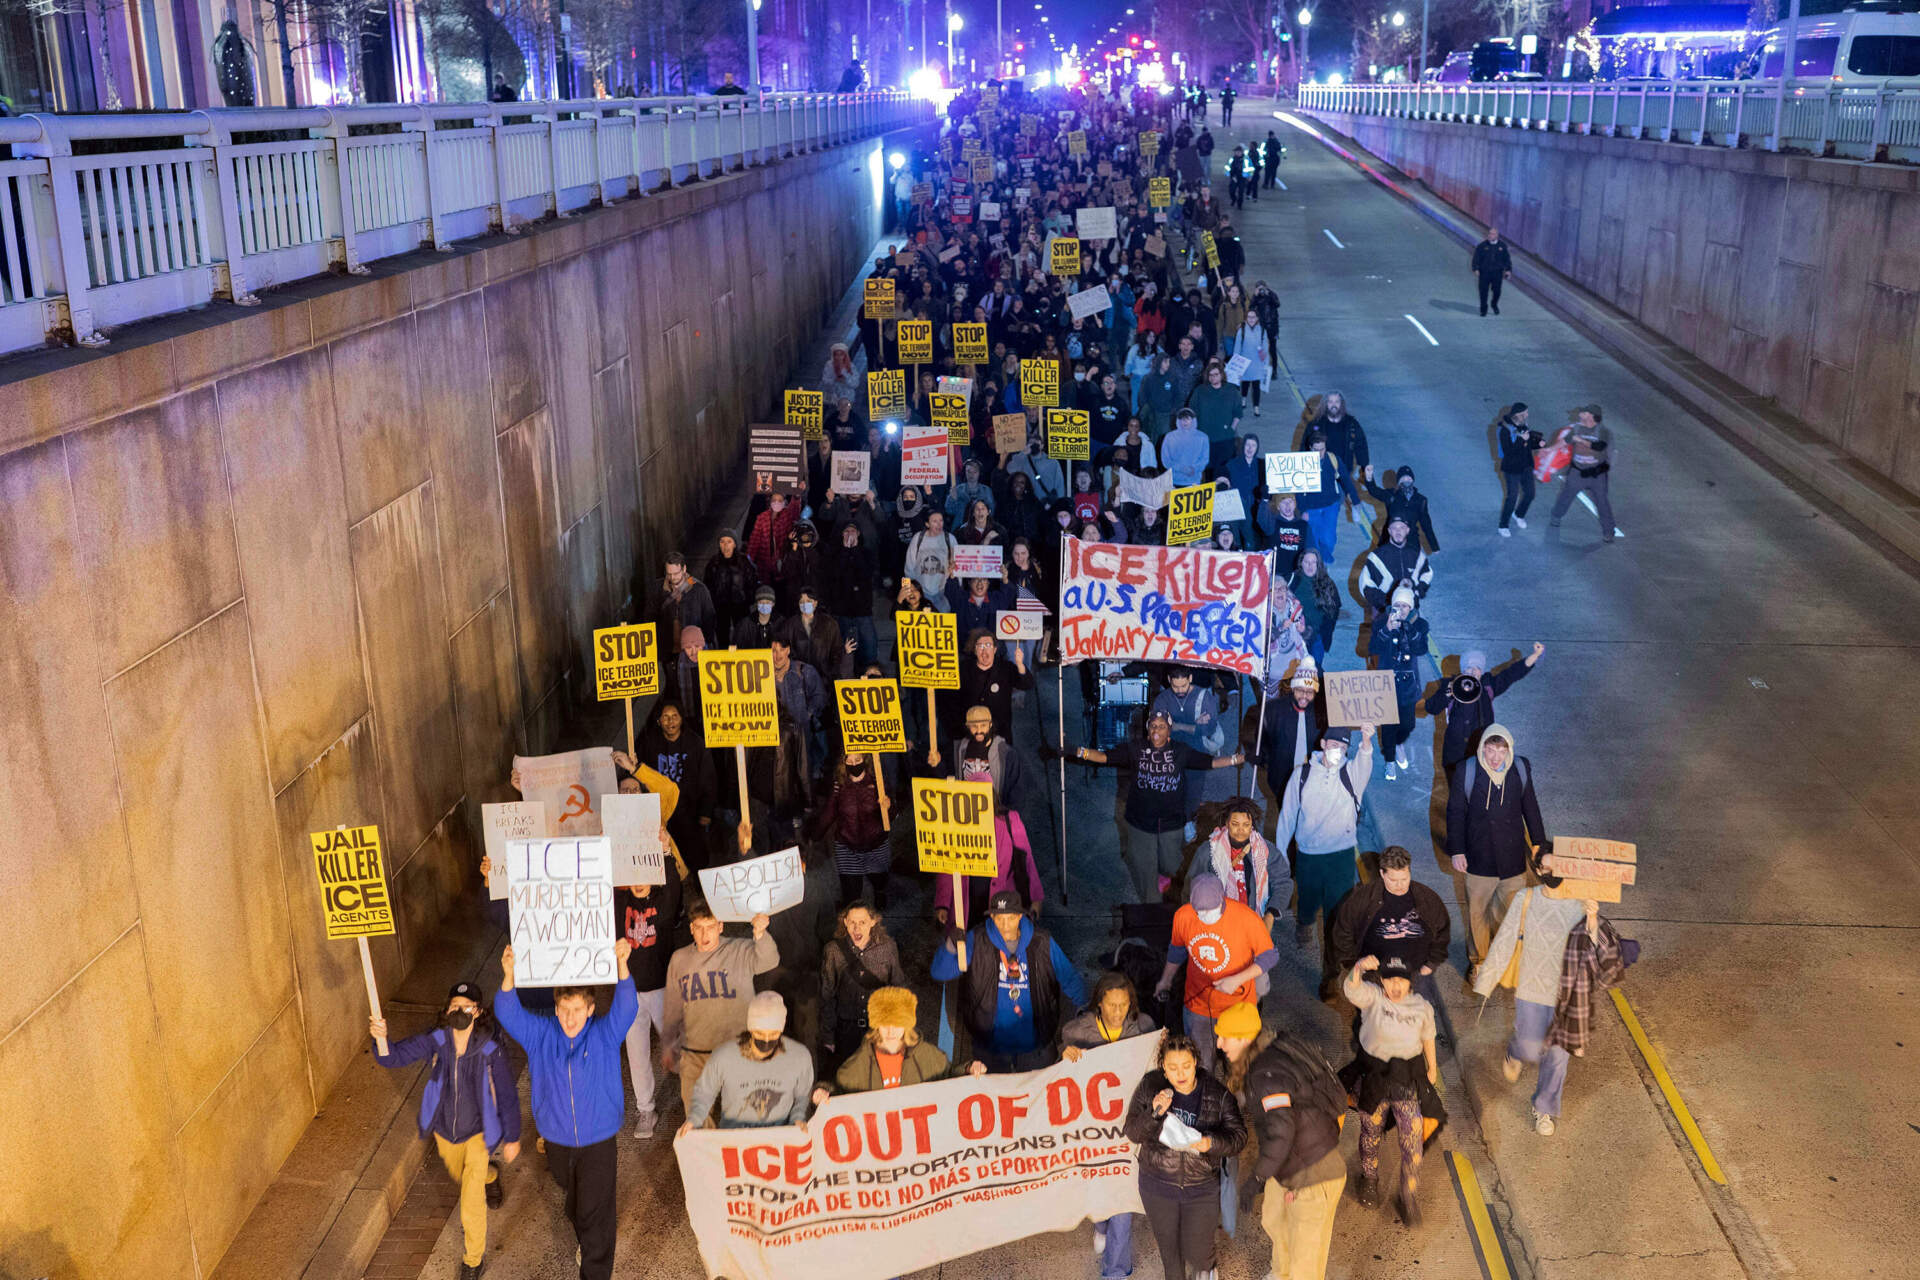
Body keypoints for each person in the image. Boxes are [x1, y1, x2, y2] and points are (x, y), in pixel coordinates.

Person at [494, 938, 636, 1280]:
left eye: (578, 1009)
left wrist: (622, 966)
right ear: (556, 1008)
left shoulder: (604, 1034)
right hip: (557, 1141)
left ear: (590, 1009)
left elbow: (627, 1008)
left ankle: (594, 1267)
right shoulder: (541, 1035)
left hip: (599, 1141)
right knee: (575, 1201)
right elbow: (507, 1012)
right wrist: (509, 974)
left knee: (596, 1212)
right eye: (564, 1009)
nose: (570, 1018)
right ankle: (585, 1236)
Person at [370, 982, 521, 1280]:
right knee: (462, 1174)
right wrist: (381, 1039)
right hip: (445, 1132)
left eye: (466, 1006)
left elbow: (506, 1094)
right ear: (447, 1010)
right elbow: (393, 1057)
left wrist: (512, 1136)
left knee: (470, 1201)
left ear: (477, 1012)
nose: (459, 1011)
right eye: (454, 1006)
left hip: (478, 1134)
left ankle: (473, 1260)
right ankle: (492, 1175)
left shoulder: (490, 1049)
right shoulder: (436, 1040)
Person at [1471, 857, 1610, 1136]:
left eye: (1558, 865)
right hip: (1532, 990)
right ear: (1538, 870)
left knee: (1558, 1056)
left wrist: (1593, 918)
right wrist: (1486, 980)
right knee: (1531, 1047)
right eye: (1546, 866)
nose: (1552, 871)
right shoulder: (1526, 898)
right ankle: (1516, 1051)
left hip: (1567, 995)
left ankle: (1544, 1108)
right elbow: (1506, 940)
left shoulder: (1580, 903)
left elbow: (1599, 950)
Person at [1067, 710, 1247, 904]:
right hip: (1141, 822)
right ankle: (1153, 906)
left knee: (1172, 864)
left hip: (1171, 821)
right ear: (1147, 730)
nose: (1156, 730)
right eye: (1153, 726)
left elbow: (1208, 761)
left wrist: (1235, 759)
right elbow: (1104, 757)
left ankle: (1167, 881)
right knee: (1146, 869)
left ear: (1169, 731)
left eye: (1161, 726)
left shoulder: (1180, 751)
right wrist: (1079, 752)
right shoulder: (1135, 749)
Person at [1123, 1034, 1247, 1280]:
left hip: (1201, 1187)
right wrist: (1153, 1113)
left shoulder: (1217, 1094)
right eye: (1172, 1067)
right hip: (1157, 1185)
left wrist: (1210, 1142)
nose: (1181, 1074)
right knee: (1170, 1253)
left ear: (1196, 1063)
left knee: (1198, 1249)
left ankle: (1207, 1268)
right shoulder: (1150, 1086)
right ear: (1163, 1069)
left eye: (1186, 1066)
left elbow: (1239, 1137)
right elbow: (1133, 1132)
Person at [1062, 973, 1158, 1280]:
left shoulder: (1144, 1026)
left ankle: (1116, 1272)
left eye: (1124, 1005)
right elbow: (1061, 1080)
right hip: (1094, 1129)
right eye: (1111, 1005)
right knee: (1100, 1190)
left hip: (1130, 1129)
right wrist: (1066, 1058)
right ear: (1098, 1004)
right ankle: (1100, 1224)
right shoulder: (1076, 1031)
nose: (1118, 1012)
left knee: (1122, 1199)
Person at [930, 888, 1086, 1072]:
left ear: (1020, 916)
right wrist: (950, 946)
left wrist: (1085, 1009)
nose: (1004, 925)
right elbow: (940, 973)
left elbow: (1070, 978)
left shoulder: (1042, 941)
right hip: (990, 1044)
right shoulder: (977, 939)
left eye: (1010, 918)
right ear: (992, 917)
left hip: (1035, 1044)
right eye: (999, 918)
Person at [1244, 1014, 1350, 1280]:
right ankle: (1281, 1274)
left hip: (1315, 1176)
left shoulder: (1270, 1073)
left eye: (1226, 1038)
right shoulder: (1279, 1056)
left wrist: (1299, 1179)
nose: (1220, 1044)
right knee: (1274, 1220)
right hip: (1293, 1166)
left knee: (1307, 1259)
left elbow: (1284, 1130)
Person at [1340, 955, 1442, 1226]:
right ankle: (1369, 1179)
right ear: (1382, 980)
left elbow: (1428, 1036)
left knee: (1412, 1141)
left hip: (1406, 1082)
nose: (1396, 986)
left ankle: (1407, 1195)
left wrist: (1432, 1068)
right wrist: (1359, 967)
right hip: (1374, 1079)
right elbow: (1350, 988)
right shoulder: (1372, 998)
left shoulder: (1421, 1007)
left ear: (1410, 982)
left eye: (1402, 980)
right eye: (1390, 979)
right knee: (1370, 1133)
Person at [1275, 726, 1375, 979]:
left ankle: (1332, 971)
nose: (1337, 752)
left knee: (1338, 913)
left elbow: (1364, 759)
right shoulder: (1302, 774)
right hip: (1309, 854)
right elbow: (1287, 816)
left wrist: (1366, 741)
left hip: (1341, 856)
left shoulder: (1352, 773)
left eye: (1343, 748)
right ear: (1322, 743)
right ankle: (1304, 922)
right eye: (1333, 745)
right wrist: (1281, 855)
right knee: (1307, 900)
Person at [661, 902, 779, 1113]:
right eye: (699, 927)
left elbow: (770, 960)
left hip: (736, 1050)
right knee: (696, 1120)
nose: (705, 934)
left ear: (721, 926)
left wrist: (760, 934)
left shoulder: (739, 949)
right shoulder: (679, 959)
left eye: (711, 927)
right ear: (691, 929)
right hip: (694, 1052)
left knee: (741, 1116)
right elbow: (672, 1006)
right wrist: (669, 1044)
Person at [1447, 724, 1547, 970]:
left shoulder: (1520, 769)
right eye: (1490, 750)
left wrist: (1539, 845)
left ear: (1508, 750)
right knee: (1477, 913)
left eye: (1501, 751)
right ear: (1482, 748)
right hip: (1478, 857)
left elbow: (1531, 808)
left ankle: (1502, 957)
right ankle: (1479, 962)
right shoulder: (1467, 770)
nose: (1495, 757)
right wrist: (1457, 850)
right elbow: (1456, 812)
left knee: (1509, 912)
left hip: (1513, 859)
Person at [1153, 873, 1277, 1072]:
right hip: (1199, 1004)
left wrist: (1237, 979)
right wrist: (1165, 980)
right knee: (1201, 1064)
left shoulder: (1246, 918)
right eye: (1200, 912)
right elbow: (1177, 950)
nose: (1206, 917)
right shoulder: (1183, 916)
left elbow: (1270, 956)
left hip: (1238, 1005)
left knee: (1241, 1069)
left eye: (1212, 911)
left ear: (1223, 899)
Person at [614, 848, 684, 1137]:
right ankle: (646, 1111)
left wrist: (666, 853)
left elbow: (675, 886)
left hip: (661, 990)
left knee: (676, 1048)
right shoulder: (619, 904)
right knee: (637, 1054)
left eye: (644, 875)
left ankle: (692, 1103)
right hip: (628, 992)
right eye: (632, 877)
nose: (638, 882)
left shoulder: (663, 903)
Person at [679, 990, 812, 1131]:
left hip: (778, 1136)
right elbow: (705, 1092)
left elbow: (803, 1095)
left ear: (781, 1030)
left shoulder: (799, 1057)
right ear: (750, 1029)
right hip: (736, 1136)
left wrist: (798, 1118)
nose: (766, 1040)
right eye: (759, 1033)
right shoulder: (724, 1056)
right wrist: (694, 1119)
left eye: (773, 1034)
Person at [1329, 845, 1451, 989]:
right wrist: (1355, 964)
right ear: (1382, 873)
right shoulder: (1362, 898)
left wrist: (1431, 963)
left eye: (1404, 878)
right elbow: (1343, 932)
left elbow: (1442, 931)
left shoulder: (1427, 898)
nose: (1400, 885)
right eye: (1393, 880)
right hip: (1374, 976)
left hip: (1414, 974)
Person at [816, 986, 955, 1101]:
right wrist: (820, 1092)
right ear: (876, 1026)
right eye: (885, 1024)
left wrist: (969, 1069)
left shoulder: (930, 1057)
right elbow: (837, 1093)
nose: (891, 1031)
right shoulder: (857, 1066)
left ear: (907, 1025)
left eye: (897, 1024)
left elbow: (955, 1079)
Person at [818, 900, 910, 1072]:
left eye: (862, 923)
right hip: (846, 1030)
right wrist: (828, 1037)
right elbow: (827, 995)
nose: (856, 928)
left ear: (873, 922)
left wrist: (901, 1030)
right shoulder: (833, 951)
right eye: (852, 922)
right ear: (845, 922)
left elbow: (899, 989)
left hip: (878, 1029)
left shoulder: (888, 948)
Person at [1425, 644, 1544, 772]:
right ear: (1463, 670)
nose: (1472, 671)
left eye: (1477, 668)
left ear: (1481, 672)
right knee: (1456, 788)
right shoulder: (1450, 685)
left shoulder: (1488, 686)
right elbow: (1432, 708)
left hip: (1481, 750)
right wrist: (1447, 693)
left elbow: (1511, 674)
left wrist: (1535, 655)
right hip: (1455, 753)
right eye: (1468, 667)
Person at [1197, 796, 1288, 930]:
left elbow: (1283, 881)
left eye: (1246, 825)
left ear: (1252, 825)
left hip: (1254, 920)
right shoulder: (1209, 851)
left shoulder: (1266, 850)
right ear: (1226, 823)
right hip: (1219, 924)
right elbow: (1193, 888)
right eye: (1235, 824)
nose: (1241, 830)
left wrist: (1270, 914)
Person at [1366, 587, 1428, 781]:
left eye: (1404, 605)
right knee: (1389, 724)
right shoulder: (1380, 623)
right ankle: (1390, 760)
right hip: (1387, 682)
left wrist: (1411, 632)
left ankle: (1400, 743)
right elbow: (1372, 648)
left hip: (1408, 683)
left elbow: (1422, 649)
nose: (1400, 609)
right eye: (1397, 605)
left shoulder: (1420, 624)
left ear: (1410, 607)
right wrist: (1387, 630)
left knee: (1408, 723)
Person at [1547, 404, 1617, 542]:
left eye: (1583, 413)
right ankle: (1556, 515)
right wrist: (1550, 450)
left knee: (1602, 502)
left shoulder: (1603, 431)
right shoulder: (1576, 428)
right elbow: (1565, 442)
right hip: (1577, 472)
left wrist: (1580, 440)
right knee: (1566, 495)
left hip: (1597, 474)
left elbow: (1599, 447)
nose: (1580, 414)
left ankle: (1608, 531)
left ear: (1591, 415)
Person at [1494, 403, 1544, 535]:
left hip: (1526, 466)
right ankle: (1503, 525)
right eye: (1525, 413)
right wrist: (1521, 440)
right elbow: (1508, 451)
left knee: (1530, 494)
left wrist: (1537, 444)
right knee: (1512, 497)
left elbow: (1526, 445)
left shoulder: (1523, 425)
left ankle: (1519, 514)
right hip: (1512, 469)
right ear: (1518, 415)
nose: (1527, 415)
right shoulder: (1504, 429)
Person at [655, 551, 716, 653]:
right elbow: (650, 617)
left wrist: (703, 644)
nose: (672, 577)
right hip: (668, 651)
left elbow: (709, 618)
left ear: (684, 569)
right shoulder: (658, 589)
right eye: (669, 574)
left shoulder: (699, 589)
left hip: (692, 651)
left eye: (676, 573)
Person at [1472, 226, 1513, 316]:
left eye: (1493, 234)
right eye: (1489, 233)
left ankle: (1494, 304)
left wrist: (1508, 270)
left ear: (1497, 235)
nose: (1490, 235)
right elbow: (1476, 258)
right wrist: (1475, 268)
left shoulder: (1502, 246)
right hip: (1484, 273)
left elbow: (1507, 259)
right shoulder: (1482, 246)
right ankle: (1483, 309)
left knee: (1497, 291)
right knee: (1483, 291)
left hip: (1497, 273)